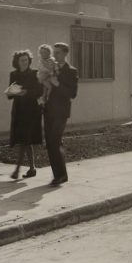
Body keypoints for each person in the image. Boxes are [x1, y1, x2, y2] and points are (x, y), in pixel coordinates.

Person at [43, 42, 78, 187]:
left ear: (65, 53)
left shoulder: (71, 71)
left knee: (55, 141)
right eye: (54, 52)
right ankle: (59, 174)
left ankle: (60, 175)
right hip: (48, 110)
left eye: (57, 52)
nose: (54, 55)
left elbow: (72, 93)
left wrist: (57, 84)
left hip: (61, 111)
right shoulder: (50, 68)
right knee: (51, 143)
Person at [6, 50, 43, 179]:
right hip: (18, 111)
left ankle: (17, 170)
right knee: (25, 140)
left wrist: (25, 92)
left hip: (31, 111)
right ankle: (32, 168)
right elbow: (10, 95)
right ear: (17, 62)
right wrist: (12, 93)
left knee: (25, 140)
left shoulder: (34, 74)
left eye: (26, 60)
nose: (25, 62)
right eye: (22, 60)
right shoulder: (13, 74)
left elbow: (39, 91)